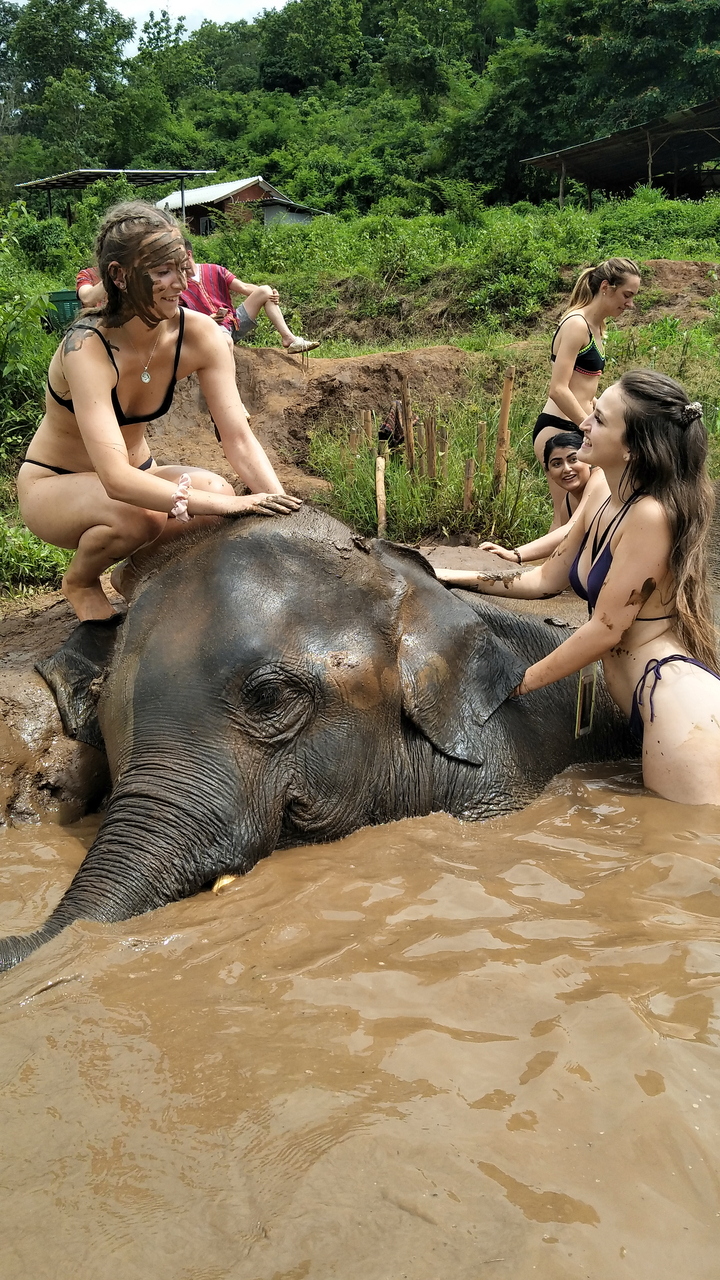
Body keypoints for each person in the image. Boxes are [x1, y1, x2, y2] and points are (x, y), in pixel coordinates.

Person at [435, 371, 720, 805]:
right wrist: (449, 576)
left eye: (599, 419)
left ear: (631, 448)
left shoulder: (650, 516)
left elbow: (606, 628)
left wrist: (521, 681)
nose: (583, 422)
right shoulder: (602, 495)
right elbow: (545, 579)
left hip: (678, 709)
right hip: (647, 706)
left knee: (680, 842)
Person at [18, 201, 301, 624]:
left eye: (183, 267)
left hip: (140, 475)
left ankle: (134, 574)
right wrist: (232, 508)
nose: (180, 283)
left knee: (218, 494)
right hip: (55, 485)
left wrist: (280, 510)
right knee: (145, 514)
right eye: (163, 271)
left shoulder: (201, 335)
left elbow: (238, 438)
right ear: (119, 275)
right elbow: (115, 479)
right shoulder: (87, 347)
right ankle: (80, 581)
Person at [534, 258, 641, 526]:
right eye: (627, 295)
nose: (630, 304)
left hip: (578, 426)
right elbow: (558, 389)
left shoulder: (597, 327)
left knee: (581, 513)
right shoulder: (577, 324)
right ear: (605, 287)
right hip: (559, 428)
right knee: (566, 515)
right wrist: (589, 426)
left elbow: (582, 385)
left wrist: (597, 410)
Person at [480, 430, 609, 564]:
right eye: (557, 464)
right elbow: (567, 547)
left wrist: (516, 554)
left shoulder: (600, 479)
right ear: (549, 472)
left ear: (588, 460)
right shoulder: (567, 504)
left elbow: (573, 529)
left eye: (573, 459)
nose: (566, 469)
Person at [180, 240, 320, 355]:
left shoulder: (214, 270)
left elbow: (244, 287)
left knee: (265, 290)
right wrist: (207, 320)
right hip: (212, 329)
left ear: (188, 254)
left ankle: (289, 338)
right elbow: (181, 316)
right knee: (225, 341)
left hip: (234, 321)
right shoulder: (178, 284)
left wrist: (271, 295)